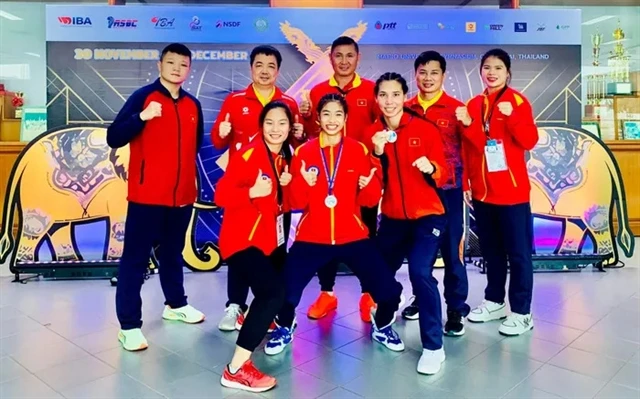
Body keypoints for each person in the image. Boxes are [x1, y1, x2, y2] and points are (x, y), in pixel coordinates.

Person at [265, 94, 404, 356]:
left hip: (352, 235)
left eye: (338, 114)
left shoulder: (358, 150)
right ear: (317, 118)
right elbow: (294, 202)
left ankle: (382, 325)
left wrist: (369, 185)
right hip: (312, 236)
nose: (332, 120)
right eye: (326, 114)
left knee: (389, 291)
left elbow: (371, 198)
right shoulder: (304, 152)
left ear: (346, 118)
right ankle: (285, 326)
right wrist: (303, 182)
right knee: (283, 291)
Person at [107, 43, 205, 352]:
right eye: (171, 62)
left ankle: (175, 304)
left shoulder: (193, 104)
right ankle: (129, 326)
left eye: (183, 64)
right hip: (146, 197)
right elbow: (114, 135)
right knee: (135, 260)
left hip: (181, 197)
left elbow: (195, 145)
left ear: (189, 69)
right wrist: (143, 117)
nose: (177, 68)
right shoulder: (143, 98)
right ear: (160, 64)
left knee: (173, 254)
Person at [211, 45, 303, 332]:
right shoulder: (235, 100)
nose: (265, 71)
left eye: (271, 66)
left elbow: (296, 145)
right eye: (259, 65)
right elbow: (217, 140)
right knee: (241, 246)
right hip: (244, 187)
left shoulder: (288, 101)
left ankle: (271, 306)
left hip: (277, 191)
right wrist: (222, 133)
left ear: (278, 70)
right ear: (251, 68)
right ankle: (235, 305)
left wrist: (300, 136)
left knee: (275, 244)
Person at [363, 72, 449, 375]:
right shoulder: (372, 133)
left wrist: (432, 167)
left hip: (428, 215)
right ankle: (383, 324)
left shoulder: (423, 129)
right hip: (393, 218)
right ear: (377, 99)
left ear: (404, 96)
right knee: (381, 274)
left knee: (420, 271)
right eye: (383, 95)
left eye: (395, 94)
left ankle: (434, 347)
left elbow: (443, 171)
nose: (389, 101)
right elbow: (369, 181)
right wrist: (375, 152)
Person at [456, 48, 538, 336]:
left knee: (518, 255)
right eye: (487, 67)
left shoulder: (517, 102)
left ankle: (522, 312)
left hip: (512, 194)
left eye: (498, 68)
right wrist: (466, 181)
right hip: (482, 193)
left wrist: (513, 117)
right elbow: (471, 147)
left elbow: (529, 141)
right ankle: (494, 301)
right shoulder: (474, 104)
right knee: (491, 253)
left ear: (508, 73)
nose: (491, 72)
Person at [214, 101, 295, 393]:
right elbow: (221, 194)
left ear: (290, 127)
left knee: (278, 289)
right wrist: (251, 191)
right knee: (272, 294)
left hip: (267, 241)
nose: (276, 129)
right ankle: (236, 369)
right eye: (270, 123)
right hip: (241, 241)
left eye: (282, 123)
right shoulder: (248, 153)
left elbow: (278, 204)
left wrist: (289, 184)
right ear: (261, 125)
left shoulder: (283, 155)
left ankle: (260, 324)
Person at [299, 36, 379, 323]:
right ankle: (327, 293)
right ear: (330, 59)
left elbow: (382, 126)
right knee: (325, 233)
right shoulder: (319, 90)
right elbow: (310, 132)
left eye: (349, 55)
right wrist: (306, 116)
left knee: (366, 233)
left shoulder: (371, 90)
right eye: (338, 56)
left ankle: (368, 293)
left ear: (358, 58)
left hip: (359, 177)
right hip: (326, 179)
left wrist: (370, 164)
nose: (344, 61)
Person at [402, 51, 470, 336]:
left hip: (449, 192)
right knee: (420, 253)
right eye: (422, 72)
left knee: (453, 253)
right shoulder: (404, 108)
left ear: (443, 76)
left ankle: (455, 309)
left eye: (434, 72)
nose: (427, 78)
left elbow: (472, 148)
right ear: (415, 74)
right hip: (417, 193)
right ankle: (421, 296)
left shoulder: (456, 109)